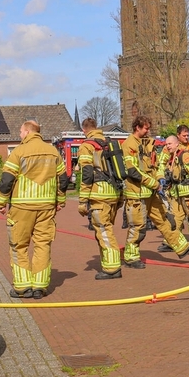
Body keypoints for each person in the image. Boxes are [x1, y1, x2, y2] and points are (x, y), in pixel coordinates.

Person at [0, 120, 69, 298]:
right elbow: (63, 179)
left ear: (27, 132)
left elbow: (6, 180)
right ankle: (40, 287)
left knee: (19, 245)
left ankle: (22, 287)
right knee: (42, 245)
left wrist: (0, 202)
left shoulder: (19, 152)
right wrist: (60, 200)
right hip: (46, 207)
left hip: (22, 207)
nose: (20, 135)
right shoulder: (53, 152)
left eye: (20, 131)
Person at [121, 116, 189, 268]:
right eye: (146, 128)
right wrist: (154, 183)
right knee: (138, 226)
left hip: (152, 192)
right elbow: (133, 171)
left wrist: (160, 178)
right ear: (137, 128)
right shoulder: (129, 145)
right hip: (138, 194)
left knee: (165, 219)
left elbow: (155, 165)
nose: (148, 131)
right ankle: (131, 258)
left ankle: (181, 246)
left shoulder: (147, 143)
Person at [77, 117, 122, 280]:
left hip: (99, 195)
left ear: (84, 130)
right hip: (115, 193)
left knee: (104, 230)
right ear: (96, 127)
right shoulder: (109, 142)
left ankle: (112, 268)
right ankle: (109, 263)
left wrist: (82, 200)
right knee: (108, 228)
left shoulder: (87, 146)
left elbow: (87, 174)